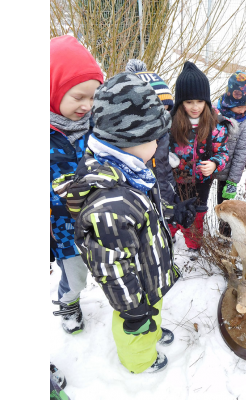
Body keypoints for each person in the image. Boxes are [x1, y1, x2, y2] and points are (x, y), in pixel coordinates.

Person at [53, 72, 198, 373]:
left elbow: (146, 211)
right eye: (154, 139)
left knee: (151, 317)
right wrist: (132, 310)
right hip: (134, 291)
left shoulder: (130, 172)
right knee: (136, 329)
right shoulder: (111, 203)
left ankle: (151, 330)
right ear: (130, 140)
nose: (159, 144)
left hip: (148, 274)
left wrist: (173, 212)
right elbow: (110, 265)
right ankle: (139, 360)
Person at [50, 35, 104, 334]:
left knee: (102, 265)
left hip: (97, 221)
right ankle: (69, 301)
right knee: (74, 275)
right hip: (63, 229)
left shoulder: (96, 129)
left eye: (93, 96)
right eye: (78, 97)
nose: (87, 105)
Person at [169, 61, 230, 260]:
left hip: (201, 182)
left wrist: (214, 163)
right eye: (189, 102)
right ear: (180, 103)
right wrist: (167, 159)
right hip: (175, 180)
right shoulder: (170, 125)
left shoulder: (215, 126)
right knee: (173, 211)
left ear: (206, 101)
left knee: (197, 215)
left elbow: (223, 153)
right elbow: (159, 150)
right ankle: (167, 237)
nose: (195, 107)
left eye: (199, 102)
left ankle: (193, 244)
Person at [125, 59, 180, 215]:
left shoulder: (162, 135)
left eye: (166, 111)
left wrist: (171, 198)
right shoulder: (127, 142)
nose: (161, 118)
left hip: (161, 200)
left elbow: (164, 169)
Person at [214, 70, 246, 236]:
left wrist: (232, 181)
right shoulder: (214, 114)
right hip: (207, 167)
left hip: (228, 171)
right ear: (230, 100)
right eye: (239, 106)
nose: (243, 110)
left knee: (225, 205)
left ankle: (224, 234)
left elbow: (241, 154)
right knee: (198, 201)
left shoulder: (245, 124)